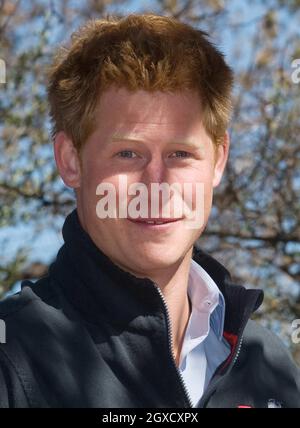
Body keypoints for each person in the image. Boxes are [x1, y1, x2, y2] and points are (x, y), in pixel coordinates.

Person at [0, 13, 299, 408]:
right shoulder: (13, 354)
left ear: (219, 160)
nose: (157, 184)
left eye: (181, 153)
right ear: (70, 160)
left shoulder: (268, 363)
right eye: (127, 153)